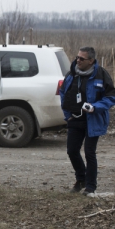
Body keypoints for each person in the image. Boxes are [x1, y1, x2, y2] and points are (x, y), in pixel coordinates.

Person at [59, 47, 115, 196]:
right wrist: (67, 115)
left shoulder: (101, 74)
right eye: (77, 57)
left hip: (93, 120)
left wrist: (94, 107)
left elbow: (111, 97)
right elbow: (63, 93)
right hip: (75, 119)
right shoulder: (72, 74)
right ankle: (81, 179)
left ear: (91, 61)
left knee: (89, 152)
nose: (78, 60)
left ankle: (91, 187)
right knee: (72, 151)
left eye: (82, 59)